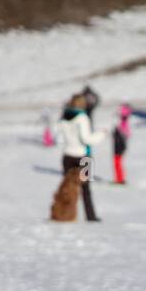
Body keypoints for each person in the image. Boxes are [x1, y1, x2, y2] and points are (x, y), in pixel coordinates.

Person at [59, 94, 104, 222]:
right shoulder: (83, 117)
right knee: (86, 189)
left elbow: (60, 137)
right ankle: (90, 216)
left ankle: (65, 214)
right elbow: (87, 139)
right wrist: (101, 134)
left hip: (67, 156)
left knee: (68, 187)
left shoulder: (63, 117)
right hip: (84, 157)